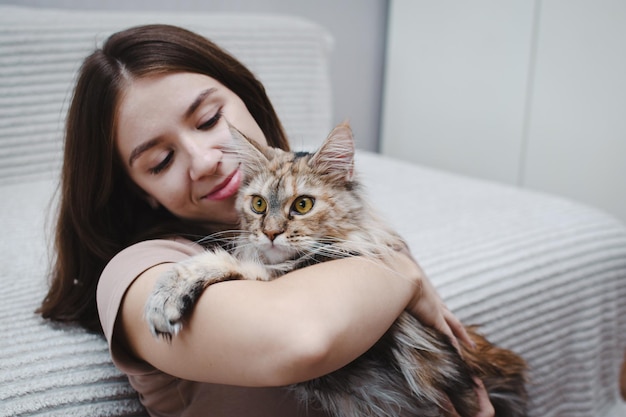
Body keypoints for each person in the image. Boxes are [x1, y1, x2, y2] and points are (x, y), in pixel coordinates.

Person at [38, 24, 494, 417]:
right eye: (160, 161)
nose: (205, 160)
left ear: (247, 96)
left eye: (209, 119)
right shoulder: (138, 273)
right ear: (140, 191)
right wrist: (403, 272)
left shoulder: (339, 218)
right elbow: (301, 338)